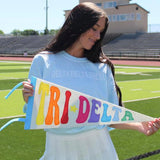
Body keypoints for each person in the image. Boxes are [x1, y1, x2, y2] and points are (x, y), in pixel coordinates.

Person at [22, 2, 160, 160]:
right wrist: (28, 98)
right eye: (94, 28)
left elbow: (110, 116)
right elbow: (35, 112)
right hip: (58, 151)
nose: (98, 36)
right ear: (78, 24)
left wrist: (139, 125)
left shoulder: (103, 67)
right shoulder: (43, 61)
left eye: (100, 31)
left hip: (101, 151)